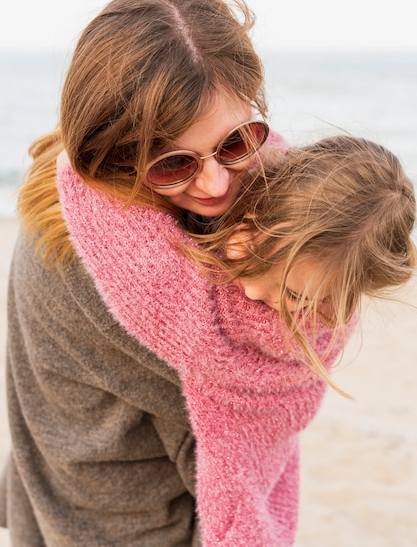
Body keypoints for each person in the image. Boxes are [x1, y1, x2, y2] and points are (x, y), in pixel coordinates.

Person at [0, 0, 290, 547]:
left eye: (237, 141)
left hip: (63, 491)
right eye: (172, 164)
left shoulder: (61, 177)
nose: (213, 182)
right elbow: (254, 392)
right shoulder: (107, 266)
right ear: (113, 149)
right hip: (128, 523)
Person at [55, 134, 415, 546]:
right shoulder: (185, 295)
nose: (274, 303)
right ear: (252, 223)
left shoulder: (323, 316)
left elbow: (75, 166)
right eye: (291, 290)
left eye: (301, 298)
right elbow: (83, 175)